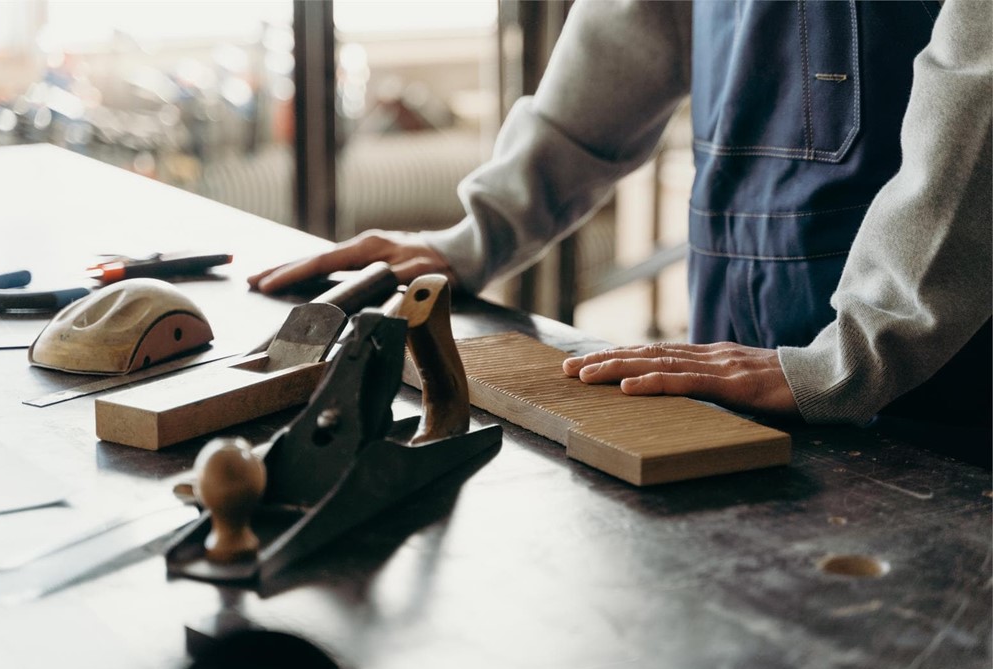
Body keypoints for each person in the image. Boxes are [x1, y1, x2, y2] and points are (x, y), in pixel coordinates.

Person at [250, 0, 991, 428]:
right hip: (733, 328)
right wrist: (478, 234)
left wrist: (855, 355)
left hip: (928, 362)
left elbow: (980, 80)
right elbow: (628, 31)